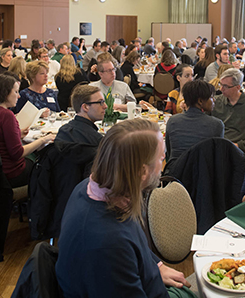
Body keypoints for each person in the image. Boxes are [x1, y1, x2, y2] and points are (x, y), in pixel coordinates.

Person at [56, 118, 190, 297]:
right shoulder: (108, 244)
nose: (162, 165)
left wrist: (156, 266)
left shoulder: (90, 189)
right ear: (142, 172)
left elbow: (134, 244)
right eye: (161, 158)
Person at [0, 74, 54, 187]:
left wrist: (18, 134)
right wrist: (43, 139)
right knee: (46, 165)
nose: (18, 97)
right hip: (11, 172)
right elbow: (18, 153)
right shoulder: (6, 115)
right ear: (6, 93)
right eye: (16, 92)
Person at [165, 80, 225, 165]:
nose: (214, 100)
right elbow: (217, 156)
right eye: (211, 97)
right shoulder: (216, 124)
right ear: (200, 101)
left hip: (175, 171)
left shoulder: (172, 121)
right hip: (202, 172)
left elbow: (169, 152)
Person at [212, 69, 245, 154]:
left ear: (238, 87)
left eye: (226, 86)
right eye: (220, 84)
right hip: (217, 147)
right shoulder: (216, 101)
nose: (221, 88)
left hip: (239, 150)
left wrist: (239, 145)